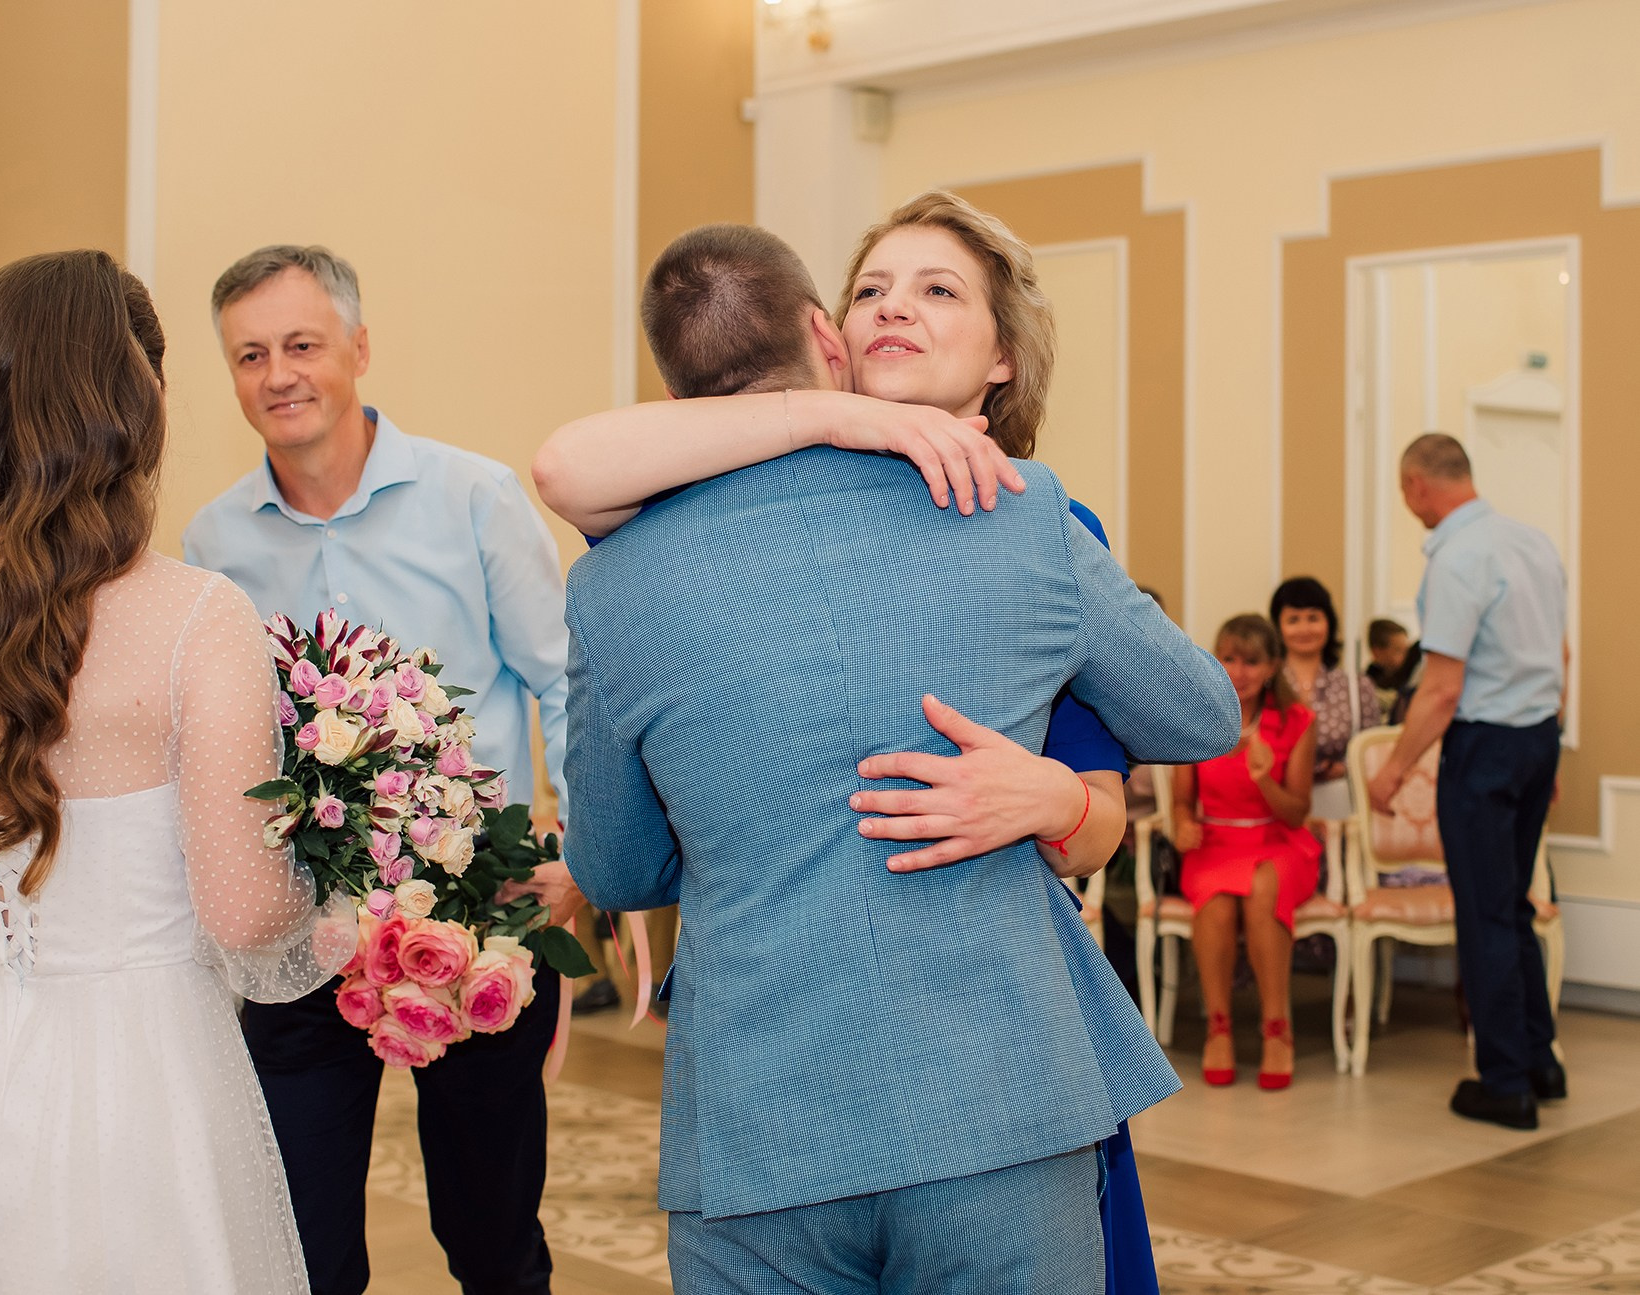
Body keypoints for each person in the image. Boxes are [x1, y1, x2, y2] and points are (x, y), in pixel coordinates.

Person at [559, 220, 1239, 1292]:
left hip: (763, 1110)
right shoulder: (1026, 518)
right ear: (827, 338)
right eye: (873, 287)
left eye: (934, 290)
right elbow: (1201, 718)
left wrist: (1053, 794)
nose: (894, 309)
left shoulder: (614, 575)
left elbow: (617, 867)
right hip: (996, 1092)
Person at [0, 250, 340, 1293]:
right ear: (138, 397)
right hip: (147, 1080)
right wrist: (343, 902)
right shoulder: (196, 615)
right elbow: (240, 912)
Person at [182, 244, 578, 1294]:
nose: (278, 374)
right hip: (303, 932)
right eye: (250, 354)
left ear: (359, 346)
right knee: (302, 1245)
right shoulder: (212, 541)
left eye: (302, 344)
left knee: (491, 1235)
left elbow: (566, 679)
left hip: (476, 916)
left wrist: (578, 850)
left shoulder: (476, 497)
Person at [1366, 433, 1567, 1131]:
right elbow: (1559, 653)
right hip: (1539, 736)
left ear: (1419, 484)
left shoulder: (1458, 555)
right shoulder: (1533, 541)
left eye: (1403, 492)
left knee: (1483, 913)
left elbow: (1443, 688)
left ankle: (1505, 1081)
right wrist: (1552, 756)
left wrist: (1394, 770)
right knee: (1512, 905)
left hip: (1484, 747)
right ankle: (1542, 1060)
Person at [1168, 614, 1320, 1090]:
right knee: (1214, 902)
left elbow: (1296, 813)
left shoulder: (1297, 721)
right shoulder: (1198, 716)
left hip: (1278, 840)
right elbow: (1180, 800)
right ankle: (1219, 1027)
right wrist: (1182, 824)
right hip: (1216, 842)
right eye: (1229, 658)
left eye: (1251, 662)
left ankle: (1277, 1028)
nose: (1238, 671)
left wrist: (1264, 779)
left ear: (1273, 666)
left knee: (1262, 887)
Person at [1270, 577, 1379, 821]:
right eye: (1293, 620)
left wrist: (1345, 769)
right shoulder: (1267, 687)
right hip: (1276, 811)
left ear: (1329, 623)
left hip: (1340, 811)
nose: (1304, 629)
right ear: (1278, 627)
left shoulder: (1356, 687)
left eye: (1313, 618)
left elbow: (1373, 752)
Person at [1366, 618, 1413, 720]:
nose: (1406, 657)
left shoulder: (1409, 679)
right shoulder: (1367, 686)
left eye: (1407, 650)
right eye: (1398, 651)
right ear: (1377, 652)